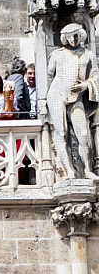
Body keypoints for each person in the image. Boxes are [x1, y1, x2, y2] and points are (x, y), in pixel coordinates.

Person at [46, 23, 99, 180]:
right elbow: (49, 75)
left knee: (84, 134)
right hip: (57, 94)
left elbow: (95, 75)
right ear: (64, 38)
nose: (74, 38)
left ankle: (88, 170)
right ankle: (69, 170)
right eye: (70, 36)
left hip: (77, 97)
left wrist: (85, 85)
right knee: (61, 132)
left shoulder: (88, 55)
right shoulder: (57, 54)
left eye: (76, 35)